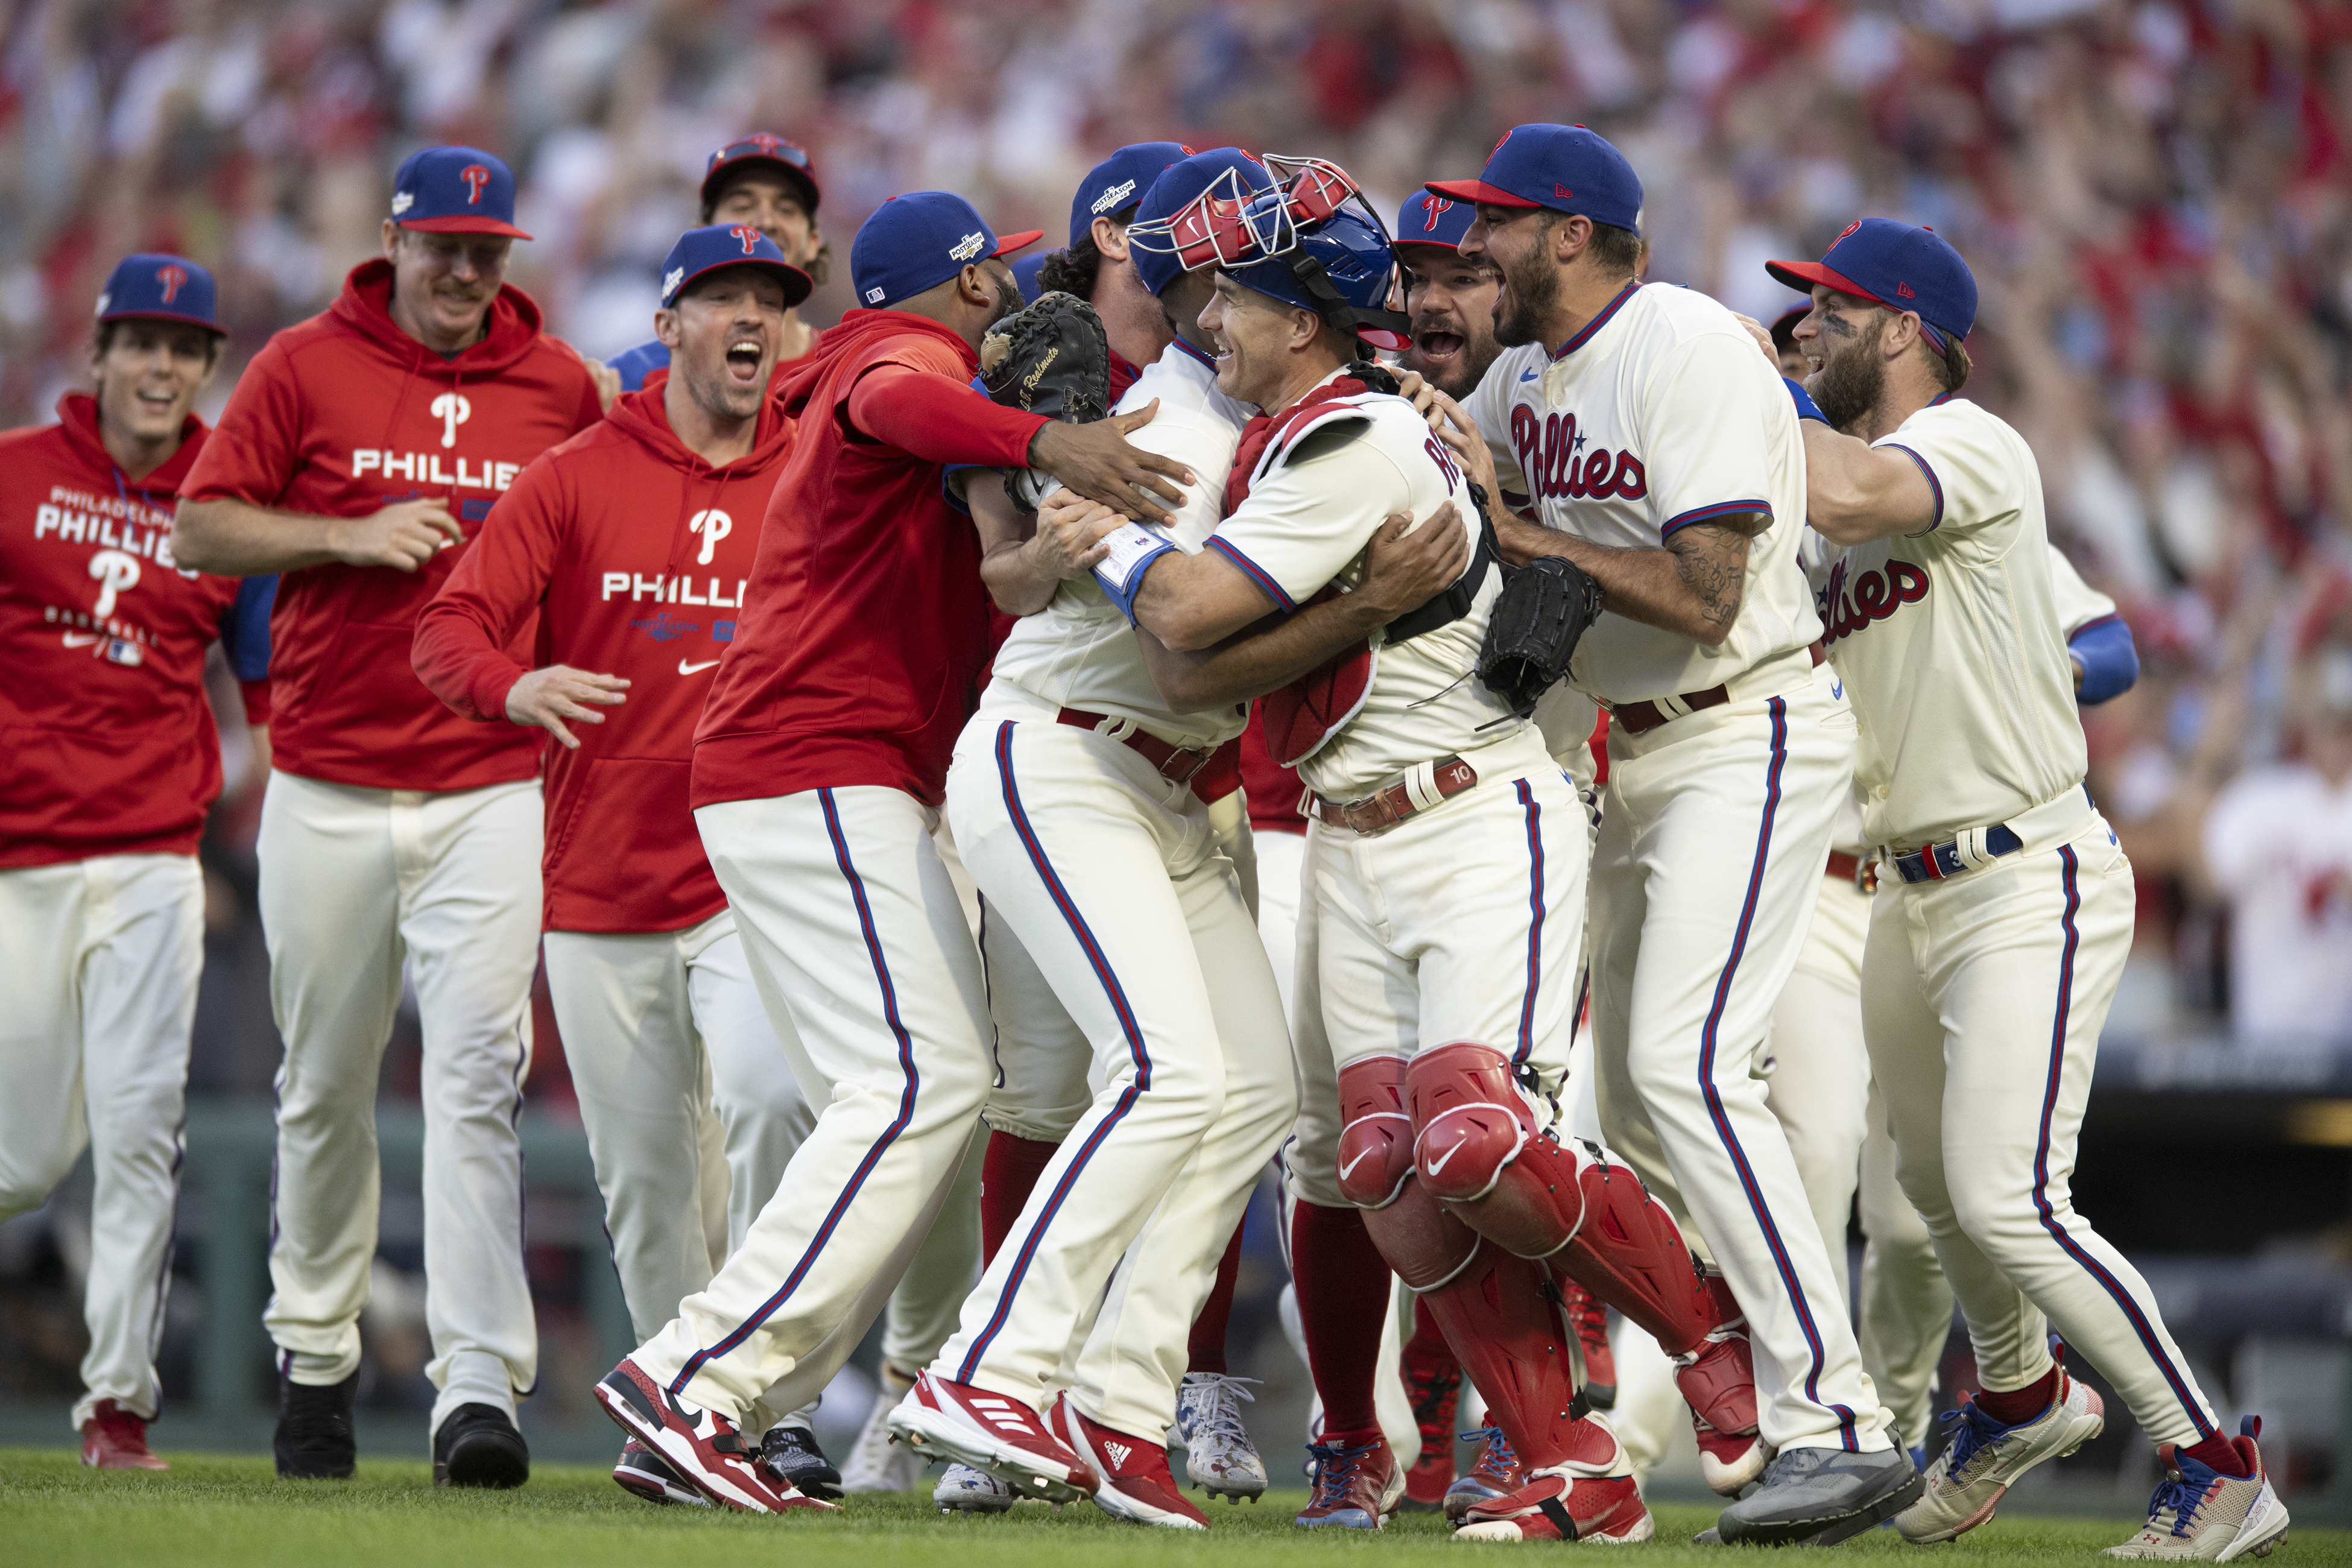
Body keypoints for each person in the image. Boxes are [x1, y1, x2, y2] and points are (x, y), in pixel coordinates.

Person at [1058, 153, 1756, 1546]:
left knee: (1475, 1138)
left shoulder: (1349, 441)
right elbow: (1215, 671)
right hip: (1354, 833)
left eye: (1228, 295)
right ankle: (1574, 1468)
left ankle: (1708, 1325)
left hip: (1472, 816)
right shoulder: (1313, 429)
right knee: (1381, 1165)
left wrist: (1108, 540)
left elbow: (1189, 619)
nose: (1205, 320)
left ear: (1302, 313)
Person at [590, 189, 1198, 1514]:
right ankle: (696, 1375)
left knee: (922, 1087)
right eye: (1001, 275)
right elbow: (894, 400)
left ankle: (705, 1404)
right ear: (972, 283)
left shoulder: (930, 395)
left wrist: (1043, 521)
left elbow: (997, 576)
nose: (1012, 297)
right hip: (814, 764)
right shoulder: (899, 359)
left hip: (822, 775)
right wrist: (1054, 438)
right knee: (919, 1083)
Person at [1765, 218, 2284, 1559]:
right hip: (1901, 883)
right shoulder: (1842, 474)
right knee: (1931, 1197)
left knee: (2011, 1197)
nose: (1806, 328)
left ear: (1899, 326)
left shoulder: (1967, 441)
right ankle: (2016, 1394)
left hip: (2022, 868)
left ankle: (2215, 1460)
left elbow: (1851, 496)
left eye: (1828, 310)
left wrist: (1723, 382)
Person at [1429, 124, 1915, 1544]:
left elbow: (1705, 594)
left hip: (1744, 721)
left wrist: (1526, 537)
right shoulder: (1524, 373)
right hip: (1625, 755)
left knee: (1683, 1065)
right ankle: (1740, 1387)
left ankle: (1834, 1417)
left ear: (1568, 233)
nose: (1475, 251)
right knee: (1633, 1108)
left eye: (1496, 227)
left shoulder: (1687, 346)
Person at [171, 146, 607, 1487]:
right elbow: (199, 530)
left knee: (478, 1077)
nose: (469, 272)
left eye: (491, 251)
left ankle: (478, 1386)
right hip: (326, 776)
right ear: (395, 243)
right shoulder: (307, 362)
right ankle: (314, 1360)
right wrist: (344, 538)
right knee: (323, 1084)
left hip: (487, 780)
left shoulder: (565, 387)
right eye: (447, 248)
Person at [411, 224, 839, 1503]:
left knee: (778, 1104)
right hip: (599, 886)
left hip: (752, 874)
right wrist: (516, 680)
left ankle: (782, 1402)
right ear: (669, 326)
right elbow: (448, 629)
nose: (753, 318)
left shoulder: (819, 474)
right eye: (725, 299)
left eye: (773, 298)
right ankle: (695, 1416)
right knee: (651, 1189)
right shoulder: (575, 474)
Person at [0, 255, 270, 1472]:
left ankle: (118, 1410)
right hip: (19, 865)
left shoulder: (226, 506)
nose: (163, 366)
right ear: (98, 355)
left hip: (156, 863)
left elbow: (268, 703)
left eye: (186, 347)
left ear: (206, 369)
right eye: (142, 343)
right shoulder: (10, 478)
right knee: (22, 1157)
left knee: (142, 1131)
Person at [1385, 184, 1617, 1519]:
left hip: (1553, 811)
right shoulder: (1369, 413)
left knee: (1507, 1126)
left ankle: (1541, 1416)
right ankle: (1436, 1424)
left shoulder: (1560, 400)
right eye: (1413, 275)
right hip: (1404, 829)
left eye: (1462, 274)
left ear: (1511, 291)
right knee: (1404, 1149)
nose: (1432, 300)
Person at [2201, 648, 2352, 1047]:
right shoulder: (2264, 798)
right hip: (2263, 1032)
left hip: (2344, 1048)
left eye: (2346, 727)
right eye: (2329, 724)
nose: (2337, 739)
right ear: (2309, 727)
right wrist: (2208, 758)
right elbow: (2208, 882)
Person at [609, 136, 829, 389]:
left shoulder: (843, 373)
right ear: (703, 232)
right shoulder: (634, 376)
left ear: (813, 242)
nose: (765, 222)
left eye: (786, 209)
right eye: (742, 205)